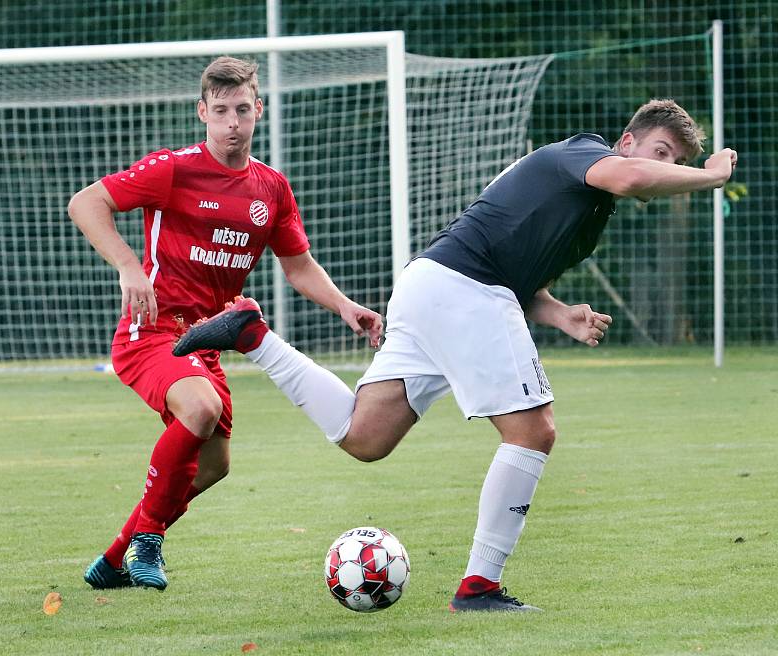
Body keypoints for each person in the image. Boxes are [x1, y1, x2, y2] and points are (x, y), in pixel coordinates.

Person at [173, 99, 737, 611]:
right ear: (628, 140)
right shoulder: (585, 154)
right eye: (664, 153)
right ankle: (479, 587)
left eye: (679, 159)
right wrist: (707, 176)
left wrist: (561, 312)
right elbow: (633, 176)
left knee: (365, 437)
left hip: (433, 286)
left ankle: (253, 337)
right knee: (533, 432)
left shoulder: (590, 211)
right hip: (464, 289)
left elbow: (520, 277)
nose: (668, 166)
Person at [68, 56, 382, 590]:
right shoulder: (172, 169)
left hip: (207, 342)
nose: (232, 122)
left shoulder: (271, 189)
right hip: (155, 331)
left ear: (259, 109)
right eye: (220, 111)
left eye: (242, 109)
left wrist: (346, 306)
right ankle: (149, 542)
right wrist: (128, 267)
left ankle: (116, 558)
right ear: (203, 113)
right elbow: (87, 202)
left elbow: (298, 265)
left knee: (214, 467)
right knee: (202, 406)